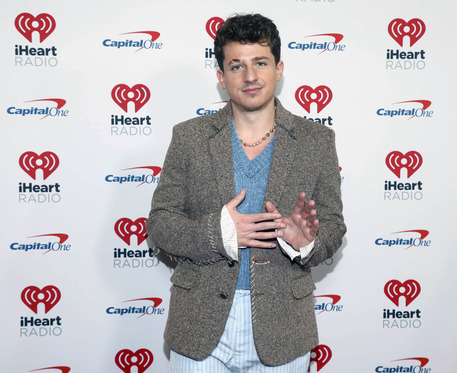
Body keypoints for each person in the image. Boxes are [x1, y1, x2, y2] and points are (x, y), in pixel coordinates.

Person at [146, 13, 346, 372]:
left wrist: (306, 242)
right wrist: (221, 233)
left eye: (260, 63)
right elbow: (160, 225)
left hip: (284, 330)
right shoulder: (189, 138)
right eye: (236, 66)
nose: (250, 76)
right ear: (221, 77)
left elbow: (333, 227)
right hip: (199, 327)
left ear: (279, 69)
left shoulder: (317, 141)